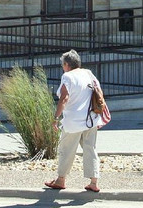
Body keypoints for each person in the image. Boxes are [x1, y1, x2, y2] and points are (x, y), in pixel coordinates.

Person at [44, 49, 102, 193]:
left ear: (66, 64)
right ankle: (94, 182)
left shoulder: (68, 77)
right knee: (90, 148)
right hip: (91, 119)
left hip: (73, 121)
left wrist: (55, 118)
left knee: (66, 150)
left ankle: (61, 180)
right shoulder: (88, 73)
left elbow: (64, 98)